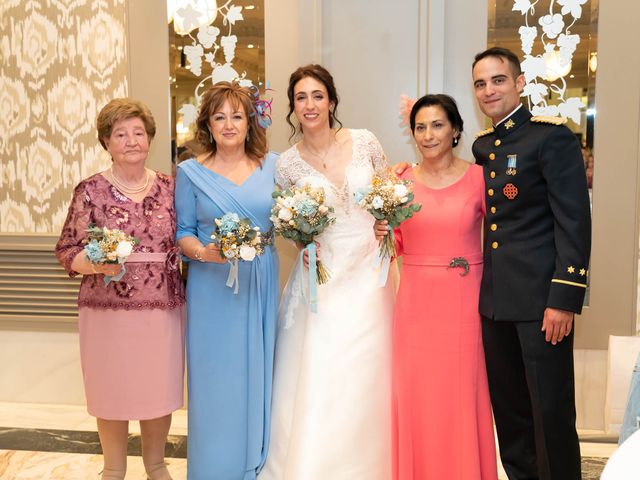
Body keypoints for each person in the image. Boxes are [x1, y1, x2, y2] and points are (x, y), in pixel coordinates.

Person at [259, 64, 396, 479]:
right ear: (293, 107)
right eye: (301, 97)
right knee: (323, 367)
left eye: (317, 95)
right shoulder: (286, 164)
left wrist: (386, 220)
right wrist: (303, 239)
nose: (310, 104)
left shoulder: (365, 141)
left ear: (332, 101)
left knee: (370, 367)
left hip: (370, 272)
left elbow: (389, 194)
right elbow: (291, 228)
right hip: (322, 274)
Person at [471, 47, 591, 479]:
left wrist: (564, 299)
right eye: (481, 84)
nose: (489, 90)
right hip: (495, 304)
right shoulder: (483, 146)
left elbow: (574, 222)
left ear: (519, 83)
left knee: (551, 413)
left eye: (498, 80)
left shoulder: (551, 137)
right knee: (512, 414)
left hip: (543, 305)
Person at [55, 98, 186, 480]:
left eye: (139, 133)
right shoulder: (90, 191)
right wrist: (96, 263)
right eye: (121, 134)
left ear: (150, 139)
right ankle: (113, 468)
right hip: (106, 310)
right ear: (107, 143)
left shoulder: (170, 187)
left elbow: (188, 238)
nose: (131, 141)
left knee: (157, 390)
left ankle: (156, 465)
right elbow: (67, 249)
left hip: (162, 306)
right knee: (111, 389)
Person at [376, 94, 497, 479]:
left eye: (437, 125)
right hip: (415, 306)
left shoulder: (481, 178)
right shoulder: (398, 182)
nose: (428, 135)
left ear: (456, 129)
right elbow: (390, 243)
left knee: (462, 398)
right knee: (418, 398)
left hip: (465, 306)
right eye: (420, 127)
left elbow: (504, 240)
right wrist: (381, 230)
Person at [174, 81, 279, 480]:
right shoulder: (190, 172)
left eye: (237, 115)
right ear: (208, 124)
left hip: (260, 281)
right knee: (215, 382)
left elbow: (291, 218)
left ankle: (254, 465)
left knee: (259, 374)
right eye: (220, 116)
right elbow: (183, 231)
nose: (229, 124)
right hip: (209, 288)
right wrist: (203, 252)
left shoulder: (274, 165)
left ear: (250, 121)